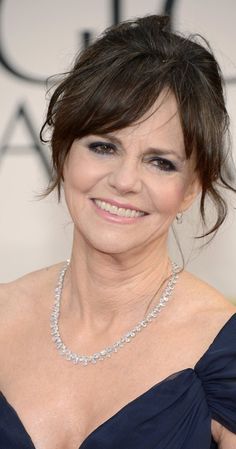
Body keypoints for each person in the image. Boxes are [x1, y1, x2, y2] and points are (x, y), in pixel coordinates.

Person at [0, 14, 235, 449]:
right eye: (104, 146)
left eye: (160, 161)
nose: (125, 180)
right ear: (64, 154)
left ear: (191, 189)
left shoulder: (224, 353)